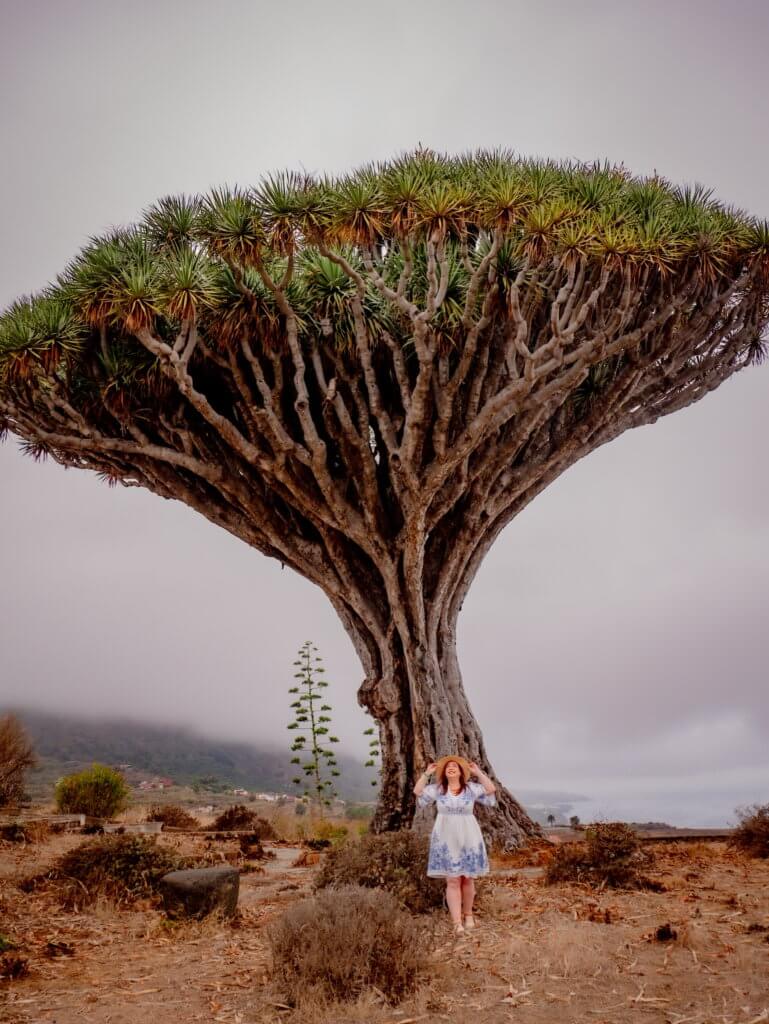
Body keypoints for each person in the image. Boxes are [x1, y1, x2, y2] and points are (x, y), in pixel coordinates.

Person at [414, 754, 496, 935]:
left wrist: (478, 773)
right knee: (452, 879)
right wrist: (427, 774)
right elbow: (418, 792)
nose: (451, 768)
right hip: (446, 836)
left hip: (468, 835)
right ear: (444, 772)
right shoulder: (438, 789)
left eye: (455, 766)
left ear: (460, 772)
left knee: (467, 878)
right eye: (448, 767)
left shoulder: (471, 789)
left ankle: (468, 915)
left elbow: (490, 790)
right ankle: (456, 922)